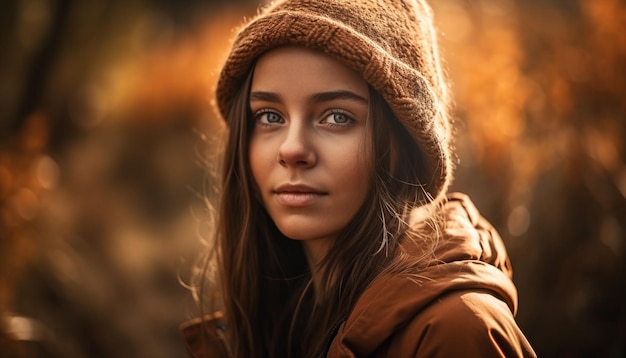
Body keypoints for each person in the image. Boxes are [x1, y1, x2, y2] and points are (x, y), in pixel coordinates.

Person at [181, 0, 536, 357]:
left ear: (405, 145)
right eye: (270, 116)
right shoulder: (278, 321)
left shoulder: (455, 332)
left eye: (337, 117)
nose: (291, 150)